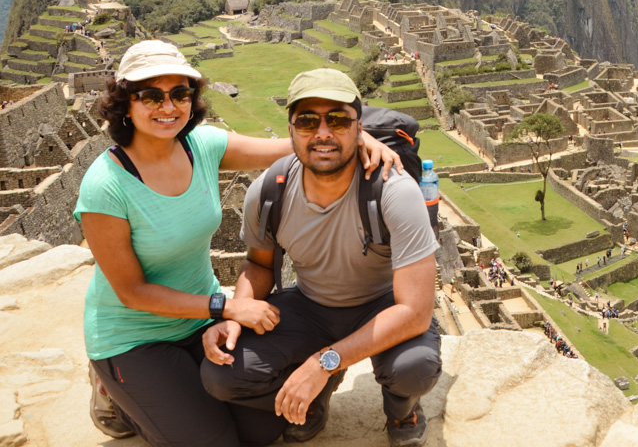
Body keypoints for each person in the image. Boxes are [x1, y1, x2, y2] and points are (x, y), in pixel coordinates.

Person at [74, 41, 400, 447]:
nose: (168, 106)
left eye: (180, 94)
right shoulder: (106, 186)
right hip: (136, 335)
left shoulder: (203, 147)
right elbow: (132, 291)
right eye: (152, 96)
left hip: (200, 323)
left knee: (263, 431)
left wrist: (359, 138)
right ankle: (118, 393)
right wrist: (227, 306)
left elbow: (298, 146)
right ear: (125, 103)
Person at [201, 68, 441, 446]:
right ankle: (314, 396)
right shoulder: (268, 192)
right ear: (292, 128)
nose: (323, 133)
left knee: (415, 369)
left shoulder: (394, 191)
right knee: (223, 375)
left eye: (339, 120)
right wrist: (238, 309)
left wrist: (323, 360)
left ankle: (402, 411)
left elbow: (415, 311)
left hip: (384, 305)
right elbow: (259, 264)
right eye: (308, 121)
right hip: (311, 305)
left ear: (358, 127)